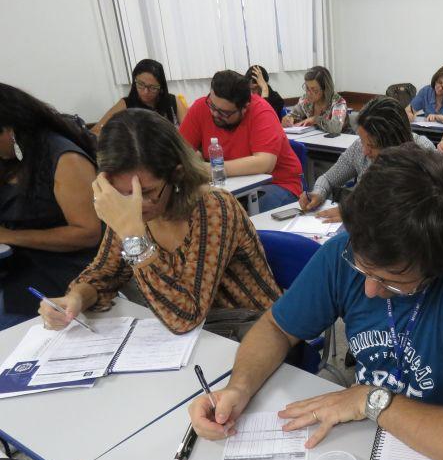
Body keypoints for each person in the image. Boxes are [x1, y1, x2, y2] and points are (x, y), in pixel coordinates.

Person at [188, 144, 443, 460]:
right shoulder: (349, 246)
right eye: (361, 267)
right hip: (360, 441)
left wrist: (371, 399)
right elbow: (277, 327)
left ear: (438, 269)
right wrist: (239, 388)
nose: (368, 290)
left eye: (391, 282)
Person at [38, 109, 281, 335]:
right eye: (123, 194)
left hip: (258, 334)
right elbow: (104, 274)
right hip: (198, 338)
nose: (136, 204)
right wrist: (76, 299)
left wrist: (134, 237)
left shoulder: (212, 207)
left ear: (176, 174)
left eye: (147, 192)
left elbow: (186, 316)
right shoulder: (128, 208)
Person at [0, 83, 100, 327]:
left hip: (63, 273)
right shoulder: (10, 159)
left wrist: (12, 236)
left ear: (10, 129)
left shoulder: (63, 157)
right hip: (16, 268)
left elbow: (88, 233)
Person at [179, 70, 302, 212]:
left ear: (244, 108)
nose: (214, 113)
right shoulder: (202, 107)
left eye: (224, 113)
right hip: (229, 186)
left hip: (277, 184)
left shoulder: (261, 111)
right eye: (212, 106)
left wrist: (213, 170)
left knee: (236, 214)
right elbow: (178, 151)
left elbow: (264, 163)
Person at [299, 96, 434, 223]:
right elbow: (328, 178)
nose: (365, 151)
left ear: (394, 141)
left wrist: (358, 213)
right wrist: (318, 193)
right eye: (363, 141)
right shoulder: (359, 147)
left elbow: (420, 212)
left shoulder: (423, 153)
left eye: (372, 145)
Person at [92, 59, 187, 135]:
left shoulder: (173, 101)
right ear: (134, 82)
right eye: (141, 84)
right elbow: (96, 131)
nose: (145, 92)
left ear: (161, 87)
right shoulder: (126, 104)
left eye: (153, 87)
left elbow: (190, 132)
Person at [281, 66, 347, 135]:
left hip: (342, 141)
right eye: (307, 88)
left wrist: (315, 119)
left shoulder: (338, 102)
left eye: (314, 90)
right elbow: (293, 115)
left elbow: (336, 128)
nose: (309, 93)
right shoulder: (305, 100)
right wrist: (288, 119)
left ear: (325, 89)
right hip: (316, 139)